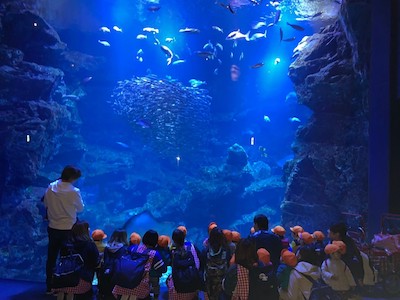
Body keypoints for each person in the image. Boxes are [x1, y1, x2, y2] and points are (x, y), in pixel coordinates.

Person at [43, 165, 84, 294]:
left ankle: (50, 286)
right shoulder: (74, 191)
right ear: (72, 178)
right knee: (66, 258)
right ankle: (64, 287)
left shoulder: (51, 187)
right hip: (68, 228)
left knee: (51, 258)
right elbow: (80, 208)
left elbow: (45, 204)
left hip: (53, 227)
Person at [112, 229, 167, 300]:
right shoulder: (154, 254)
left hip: (121, 285)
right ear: (156, 241)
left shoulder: (132, 248)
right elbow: (163, 269)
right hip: (140, 289)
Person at [52, 220, 99, 300]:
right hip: (80, 280)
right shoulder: (89, 245)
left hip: (61, 279)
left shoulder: (65, 244)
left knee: (64, 290)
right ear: (85, 231)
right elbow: (95, 263)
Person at [167, 228, 201, 300]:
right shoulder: (191, 246)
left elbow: (170, 265)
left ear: (173, 239)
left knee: (168, 280)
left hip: (178, 287)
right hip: (193, 283)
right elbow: (198, 263)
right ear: (184, 237)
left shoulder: (172, 250)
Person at [98, 229, 129, 299]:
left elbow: (105, 259)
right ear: (124, 237)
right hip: (117, 274)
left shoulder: (107, 247)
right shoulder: (124, 249)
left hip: (105, 272)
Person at [203, 227, 231, 300]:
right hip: (223, 282)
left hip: (210, 282)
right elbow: (228, 264)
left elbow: (202, 265)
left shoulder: (206, 251)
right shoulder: (226, 249)